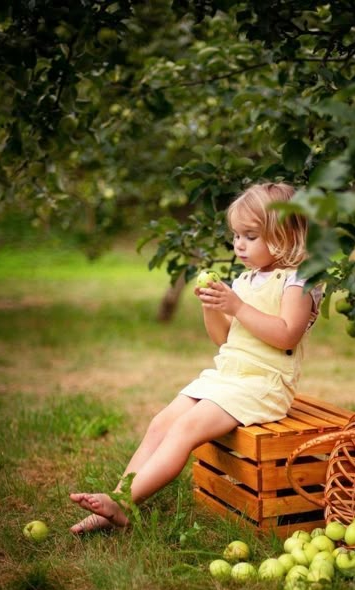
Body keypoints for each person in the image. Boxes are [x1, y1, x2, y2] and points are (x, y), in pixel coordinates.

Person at [69, 182, 322, 533]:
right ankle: (116, 500)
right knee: (162, 422)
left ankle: (125, 505)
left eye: (250, 235)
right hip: (229, 376)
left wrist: (237, 305)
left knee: (185, 429)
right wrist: (213, 309)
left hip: (263, 386)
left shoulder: (299, 280)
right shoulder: (248, 279)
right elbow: (224, 340)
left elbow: (286, 334)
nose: (239, 244)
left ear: (285, 235)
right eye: (236, 235)